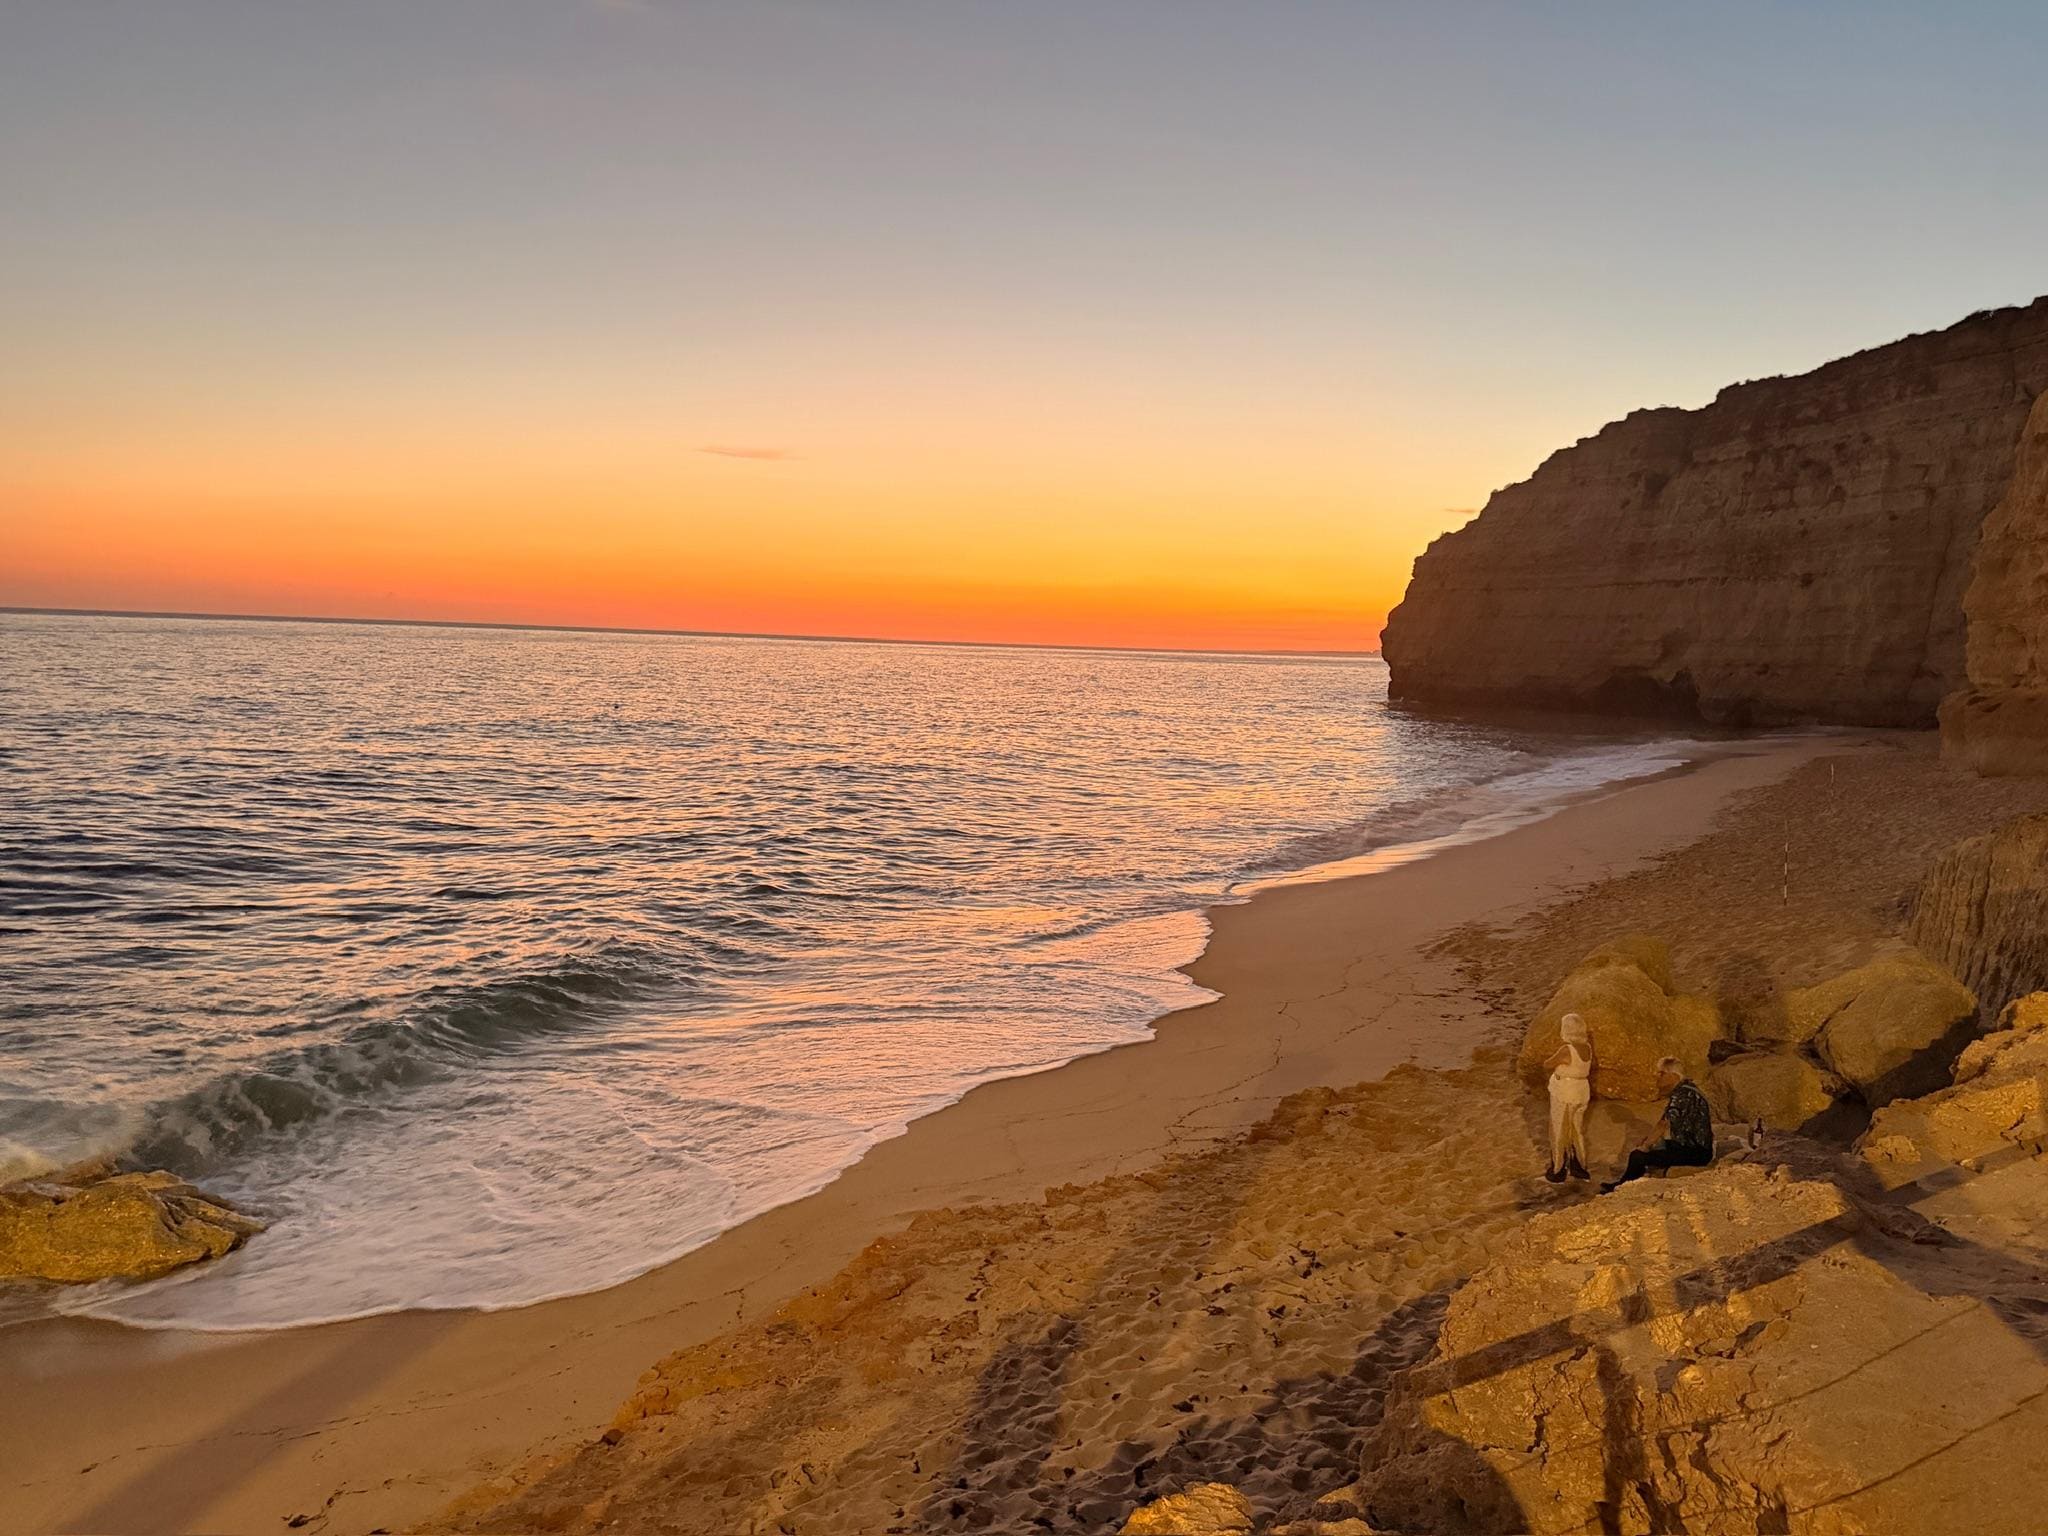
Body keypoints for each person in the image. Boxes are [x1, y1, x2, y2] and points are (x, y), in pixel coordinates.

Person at [1602, 1057, 1714, 1191]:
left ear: (1673, 1076)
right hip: (1696, 1149)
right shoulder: (1688, 1090)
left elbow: (1664, 1123)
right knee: (1652, 1148)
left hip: (1695, 1153)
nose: (1658, 1077)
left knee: (1638, 1156)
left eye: (1662, 1073)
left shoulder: (1682, 1094)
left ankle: (1623, 1188)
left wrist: (1646, 1146)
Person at [1541, 1012, 1594, 1182]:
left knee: (1559, 1130)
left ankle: (1558, 1169)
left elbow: (1548, 1063)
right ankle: (1579, 1166)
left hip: (1565, 1091)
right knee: (1576, 1129)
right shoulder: (1587, 1048)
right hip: (1581, 1090)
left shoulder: (1567, 1049)